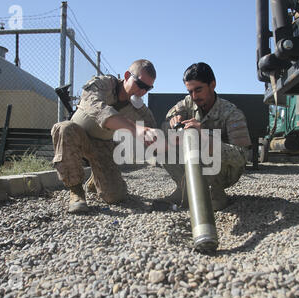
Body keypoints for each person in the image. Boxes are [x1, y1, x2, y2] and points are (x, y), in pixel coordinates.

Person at [51, 59, 158, 213]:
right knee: (64, 128)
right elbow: (98, 108)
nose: (142, 92)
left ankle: (95, 179)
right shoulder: (103, 84)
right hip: (78, 136)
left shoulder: (138, 108)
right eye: (140, 85)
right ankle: (76, 191)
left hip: (103, 145)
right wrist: (135, 129)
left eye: (147, 88)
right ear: (127, 75)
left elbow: (153, 131)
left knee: (115, 196)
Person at [161, 62, 252, 211]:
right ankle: (184, 188)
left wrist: (205, 138)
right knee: (161, 143)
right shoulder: (188, 102)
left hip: (224, 171)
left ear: (212, 85)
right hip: (197, 162)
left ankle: (214, 193)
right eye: (190, 91)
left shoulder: (231, 113)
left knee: (204, 149)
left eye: (198, 89)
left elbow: (242, 156)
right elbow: (167, 120)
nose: (194, 96)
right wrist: (172, 122)